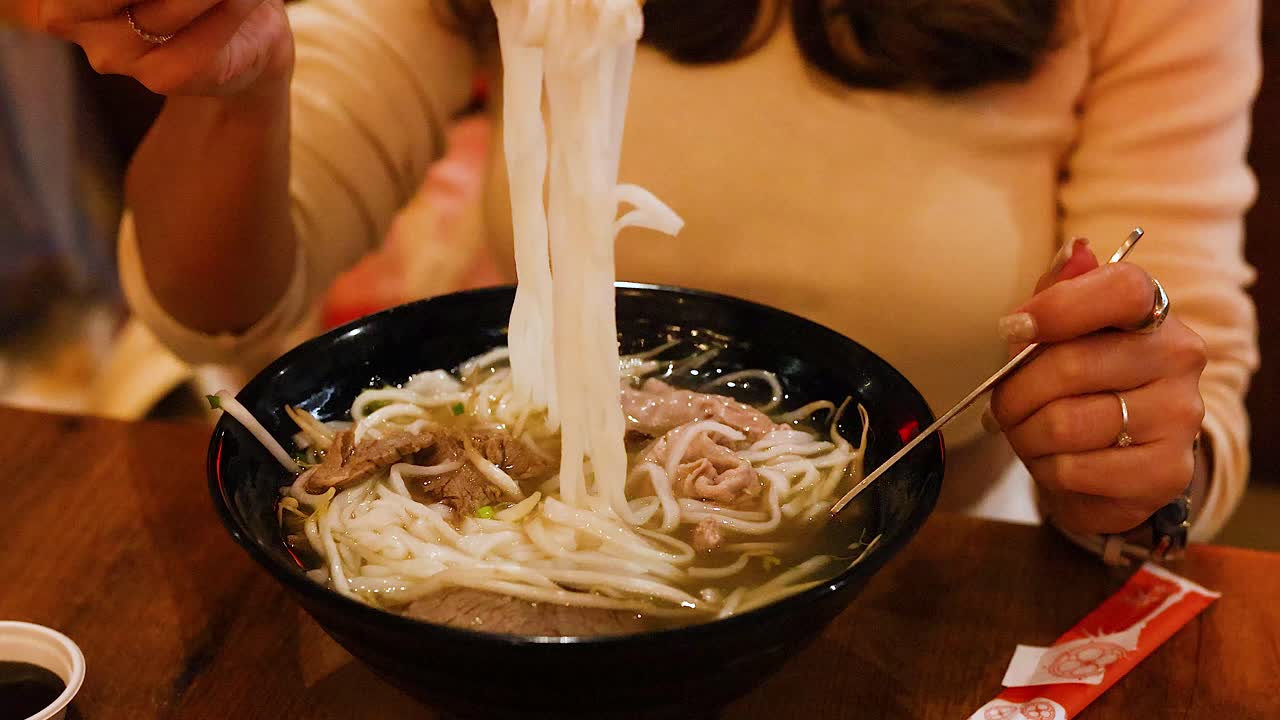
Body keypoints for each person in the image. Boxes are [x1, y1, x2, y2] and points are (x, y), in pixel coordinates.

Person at [8, 0, 1259, 555]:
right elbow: (209, 309)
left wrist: (1137, 453)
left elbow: (1184, 375)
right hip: (524, 535)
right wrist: (241, 75)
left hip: (923, 557)